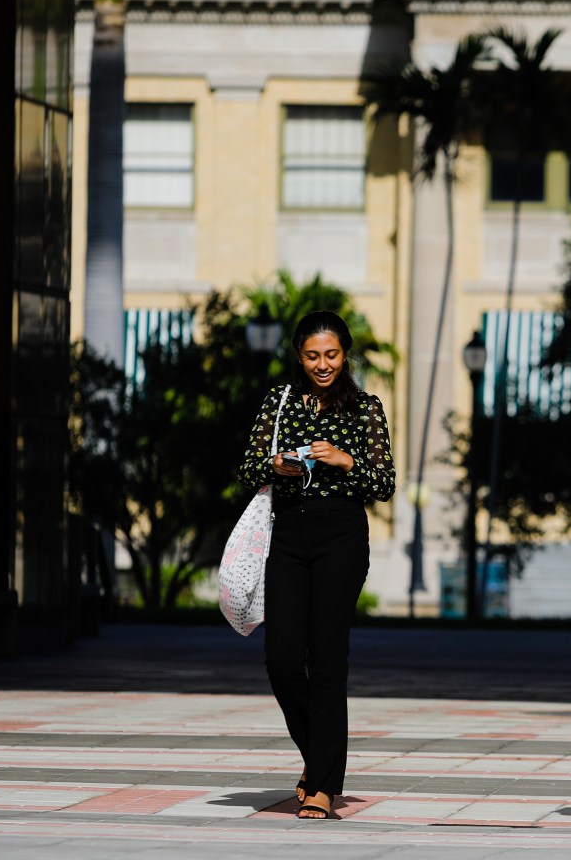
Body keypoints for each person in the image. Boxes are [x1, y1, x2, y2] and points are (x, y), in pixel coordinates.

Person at [237, 311, 395, 820]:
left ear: (345, 354)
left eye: (331, 355)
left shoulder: (365, 409)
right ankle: (317, 756)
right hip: (288, 535)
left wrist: (345, 461)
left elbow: (383, 483)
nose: (322, 365)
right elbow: (247, 467)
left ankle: (325, 783)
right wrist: (278, 465)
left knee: (327, 660)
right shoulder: (280, 402)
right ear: (298, 356)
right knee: (281, 658)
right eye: (311, 355)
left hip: (341, 537)